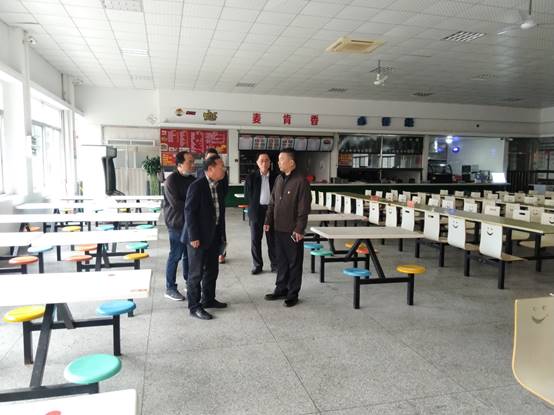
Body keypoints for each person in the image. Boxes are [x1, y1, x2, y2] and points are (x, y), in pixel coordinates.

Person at [264, 148, 311, 307]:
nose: (278, 162)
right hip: (278, 228)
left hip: (292, 231)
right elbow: (272, 203)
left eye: (281, 159)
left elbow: (304, 209)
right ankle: (281, 289)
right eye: (278, 159)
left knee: (294, 263)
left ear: (291, 162)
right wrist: (268, 220)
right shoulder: (279, 179)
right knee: (281, 261)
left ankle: (292, 293)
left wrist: (299, 229)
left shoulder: (301, 181)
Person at [184, 155, 228, 320]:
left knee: (212, 269)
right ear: (210, 169)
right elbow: (189, 212)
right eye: (221, 166)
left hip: (213, 235)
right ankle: (194, 306)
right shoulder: (197, 186)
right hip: (198, 237)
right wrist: (193, 236)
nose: (224, 169)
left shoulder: (218, 186)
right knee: (195, 273)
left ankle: (208, 299)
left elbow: (219, 213)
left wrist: (222, 235)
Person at [163, 151, 196, 301]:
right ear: (179, 165)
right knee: (175, 255)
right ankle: (170, 288)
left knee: (188, 256)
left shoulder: (192, 180)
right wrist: (194, 207)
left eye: (193, 162)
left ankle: (189, 283)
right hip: (176, 223)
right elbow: (176, 204)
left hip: (189, 223)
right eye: (189, 162)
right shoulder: (171, 180)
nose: (193, 164)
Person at [244, 152, 278, 274]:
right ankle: (257, 265)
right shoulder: (251, 177)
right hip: (256, 212)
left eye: (266, 160)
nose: (264, 163)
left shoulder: (276, 177)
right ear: (257, 163)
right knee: (255, 240)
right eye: (261, 160)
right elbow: (247, 196)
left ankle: (275, 265)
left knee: (272, 239)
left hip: (271, 211)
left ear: (270, 163)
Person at [198, 147, 228, 264]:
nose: (211, 159)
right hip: (206, 208)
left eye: (214, 157)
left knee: (221, 229)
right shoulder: (200, 175)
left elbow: (225, 189)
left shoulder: (222, 174)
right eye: (209, 158)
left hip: (218, 205)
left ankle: (221, 253)